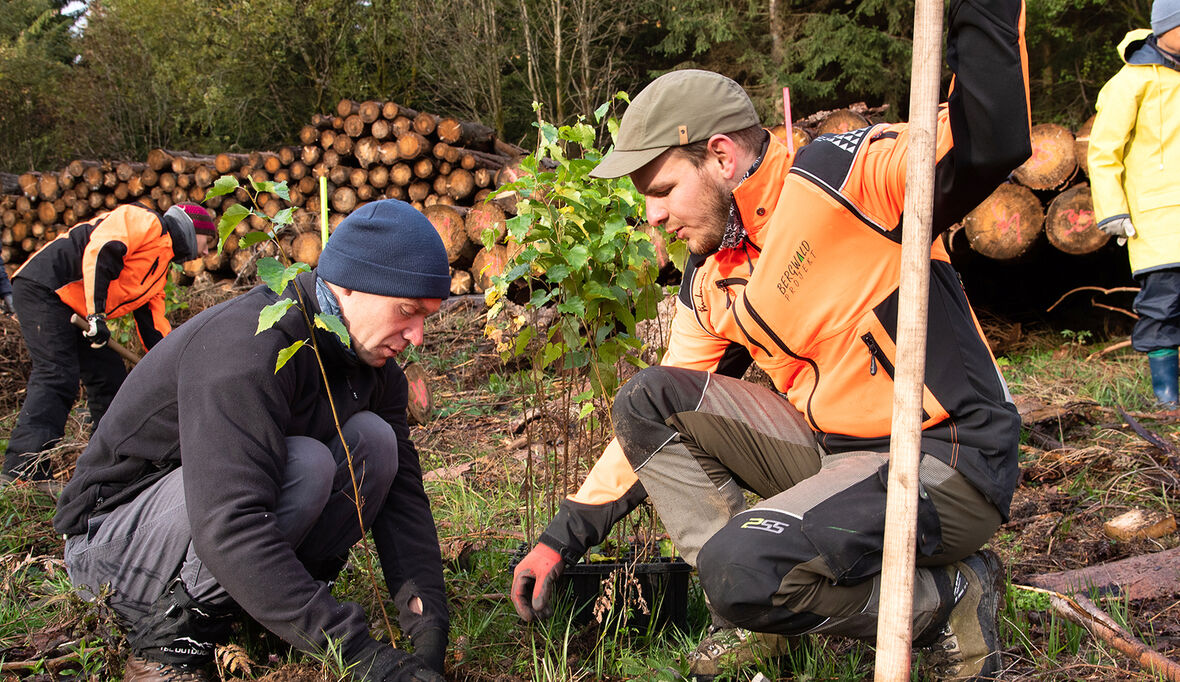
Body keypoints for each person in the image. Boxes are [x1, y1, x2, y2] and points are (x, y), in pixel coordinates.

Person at [510, 1, 1031, 680]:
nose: (653, 216)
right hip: (839, 461)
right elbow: (650, 424)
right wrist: (561, 539)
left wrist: (974, 9)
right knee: (649, 398)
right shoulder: (713, 276)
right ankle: (761, 612)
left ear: (720, 156)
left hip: (946, 457)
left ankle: (947, 596)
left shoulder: (841, 177)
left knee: (741, 568)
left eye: (663, 188)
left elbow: (988, 136)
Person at [53, 199, 451, 682]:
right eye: (408, 311)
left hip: (211, 532)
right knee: (305, 464)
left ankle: (268, 606)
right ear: (349, 284)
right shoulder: (248, 347)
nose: (418, 336)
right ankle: (174, 635)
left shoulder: (373, 370)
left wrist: (428, 633)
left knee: (376, 442)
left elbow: (403, 499)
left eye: (427, 317)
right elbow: (230, 522)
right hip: (114, 547)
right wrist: (365, 656)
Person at [2, 202, 215, 486]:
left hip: (78, 309)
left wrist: (176, 368)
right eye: (208, 241)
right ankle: (23, 471)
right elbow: (101, 251)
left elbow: (155, 329)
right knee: (57, 377)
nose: (206, 252)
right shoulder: (145, 221)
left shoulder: (157, 271)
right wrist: (97, 315)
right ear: (192, 228)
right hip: (46, 289)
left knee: (111, 382)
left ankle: (104, 470)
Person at [1089, 0, 1180, 408]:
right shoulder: (1131, 81)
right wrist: (1112, 210)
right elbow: (1104, 151)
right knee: (1163, 305)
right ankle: (1167, 397)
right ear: (1166, 28)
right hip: (1157, 221)